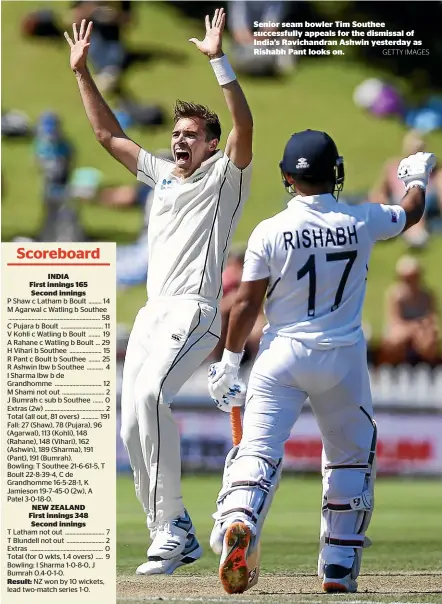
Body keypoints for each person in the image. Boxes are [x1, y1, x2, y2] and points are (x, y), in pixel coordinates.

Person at [65, 7, 253, 575]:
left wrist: (219, 60)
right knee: (128, 421)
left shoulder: (225, 176)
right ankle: (172, 532)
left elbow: (245, 127)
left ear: (212, 146)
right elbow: (106, 135)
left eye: (191, 136)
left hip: (195, 313)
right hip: (151, 316)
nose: (179, 143)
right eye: (175, 135)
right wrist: (81, 71)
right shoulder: (162, 176)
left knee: (150, 400)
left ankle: (173, 530)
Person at [207, 130, 435, 594]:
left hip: (281, 355)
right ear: (335, 172)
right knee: (351, 458)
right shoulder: (360, 219)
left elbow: (246, 304)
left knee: (258, 451)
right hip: (342, 358)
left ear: (288, 177)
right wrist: (414, 177)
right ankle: (337, 564)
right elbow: (410, 213)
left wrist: (230, 362)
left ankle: (239, 520)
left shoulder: (268, 229)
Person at [370, 130, 442, 247]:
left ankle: (415, 232)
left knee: (416, 198)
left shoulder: (434, 169)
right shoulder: (393, 166)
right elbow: (379, 191)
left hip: (425, 199)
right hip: (399, 199)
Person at [380, 255, 440, 365]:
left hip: (421, 329)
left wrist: (425, 326)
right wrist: (413, 328)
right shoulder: (395, 295)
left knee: (430, 339)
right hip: (403, 328)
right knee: (395, 339)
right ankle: (395, 366)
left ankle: (428, 367)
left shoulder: (427, 295)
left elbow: (432, 317)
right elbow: (394, 320)